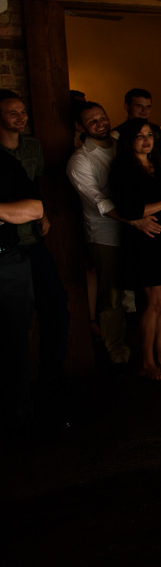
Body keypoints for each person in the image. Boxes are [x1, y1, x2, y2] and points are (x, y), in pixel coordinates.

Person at [67, 102, 161, 365]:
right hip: (106, 233)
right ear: (79, 126)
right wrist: (133, 220)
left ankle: (159, 344)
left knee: (148, 287)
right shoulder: (80, 161)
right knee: (111, 295)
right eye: (92, 121)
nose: (101, 124)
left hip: (138, 227)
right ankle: (116, 349)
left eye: (102, 117)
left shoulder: (124, 142)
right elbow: (100, 202)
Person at [109, 118, 161, 381]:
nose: (147, 140)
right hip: (146, 239)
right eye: (140, 136)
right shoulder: (123, 170)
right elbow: (129, 209)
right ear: (128, 140)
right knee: (153, 302)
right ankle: (146, 362)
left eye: (150, 135)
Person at [0, 90, 70, 386]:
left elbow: (35, 187)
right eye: (13, 113)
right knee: (14, 324)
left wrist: (42, 214)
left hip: (32, 239)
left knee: (55, 308)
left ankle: (51, 378)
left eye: (23, 111)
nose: (21, 118)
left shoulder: (32, 147)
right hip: (7, 245)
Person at [0, 148, 41, 427]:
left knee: (15, 338)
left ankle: (20, 412)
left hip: (7, 261)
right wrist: (7, 211)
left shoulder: (2, 161)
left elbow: (35, 209)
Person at [122, 88, 161, 184]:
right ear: (127, 106)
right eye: (139, 106)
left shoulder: (160, 132)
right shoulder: (117, 134)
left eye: (148, 106)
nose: (144, 110)